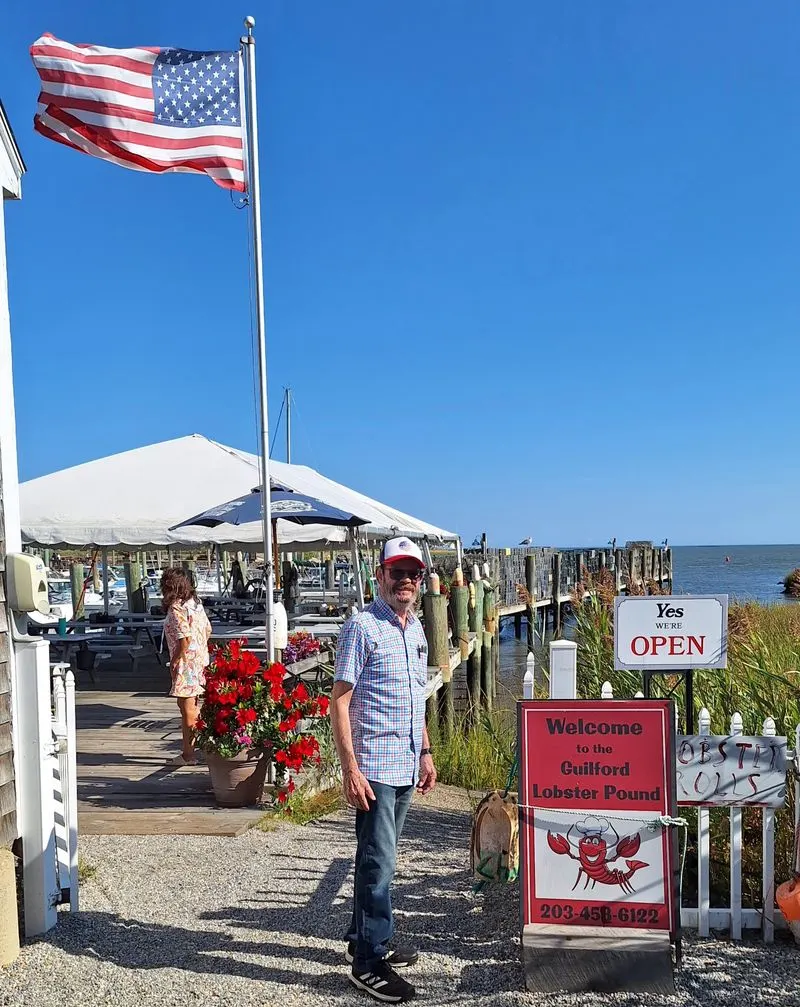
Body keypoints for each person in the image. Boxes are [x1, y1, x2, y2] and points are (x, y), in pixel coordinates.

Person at [332, 536, 437, 1004]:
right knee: (380, 861)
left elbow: (419, 697)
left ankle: (365, 936)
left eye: (413, 574)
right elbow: (339, 699)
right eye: (398, 573)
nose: (407, 581)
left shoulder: (415, 630)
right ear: (380, 576)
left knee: (376, 857)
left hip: (405, 761)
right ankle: (368, 962)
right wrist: (349, 767)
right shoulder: (362, 626)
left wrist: (427, 752)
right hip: (374, 764)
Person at [161, 567, 212, 767]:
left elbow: (184, 638)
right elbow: (208, 629)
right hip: (200, 658)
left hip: (186, 662)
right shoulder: (196, 605)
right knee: (192, 706)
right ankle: (195, 748)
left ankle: (188, 754)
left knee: (187, 708)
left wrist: (174, 659)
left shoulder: (177, 608)